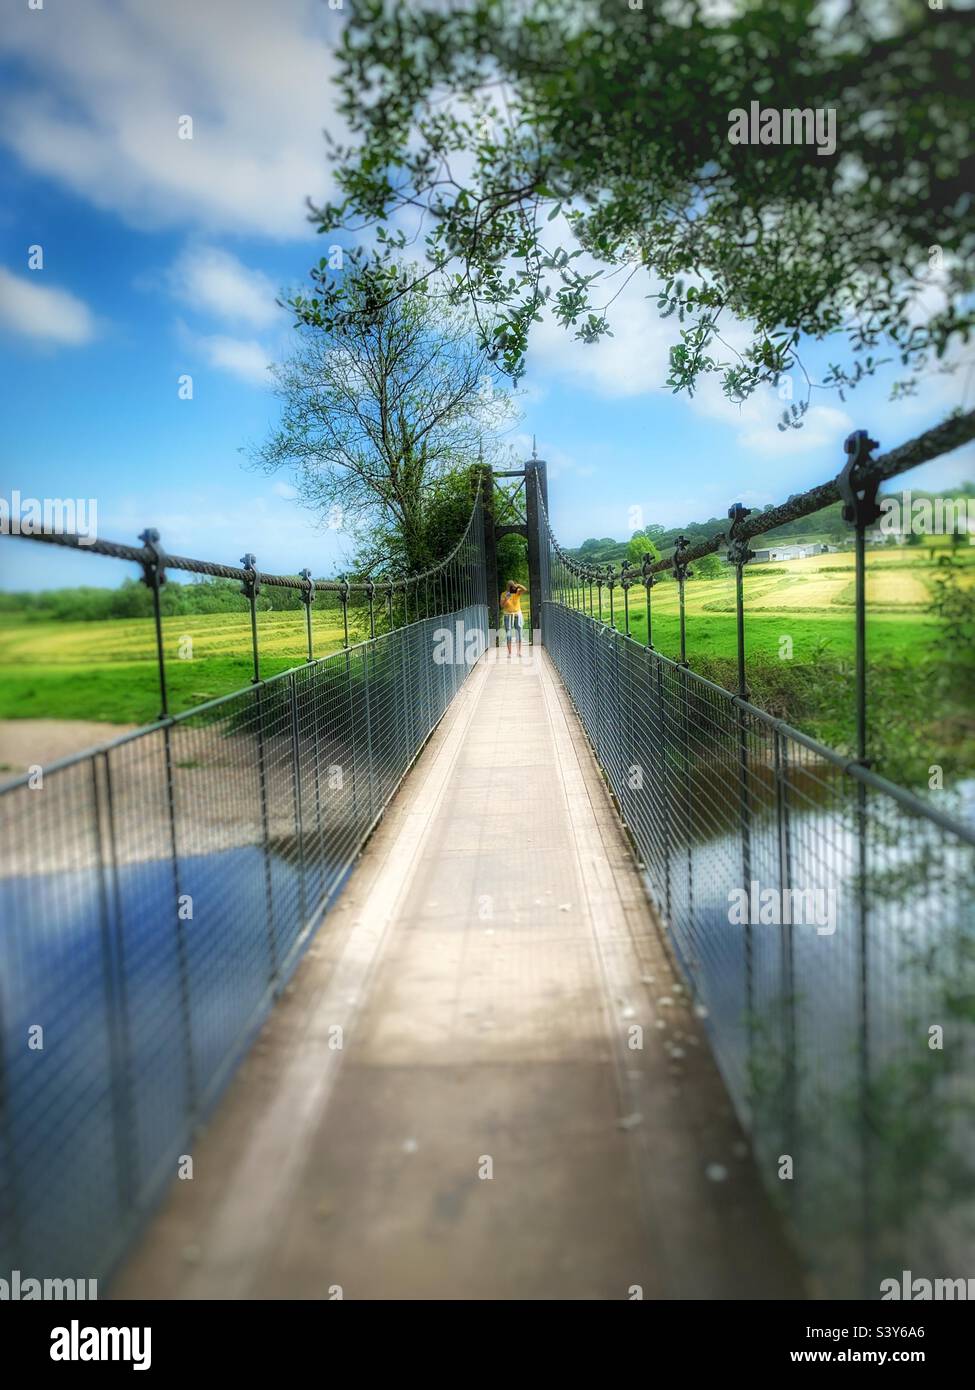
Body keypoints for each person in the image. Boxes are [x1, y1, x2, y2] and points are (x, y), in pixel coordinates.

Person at [500, 580, 527, 656]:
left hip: (517, 615)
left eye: (512, 587)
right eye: (510, 587)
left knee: (519, 633)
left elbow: (525, 589)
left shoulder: (517, 592)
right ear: (507, 587)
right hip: (507, 615)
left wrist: (518, 585)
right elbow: (502, 605)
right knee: (508, 633)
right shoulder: (503, 594)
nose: (511, 588)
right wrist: (506, 599)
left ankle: (519, 652)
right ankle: (509, 653)